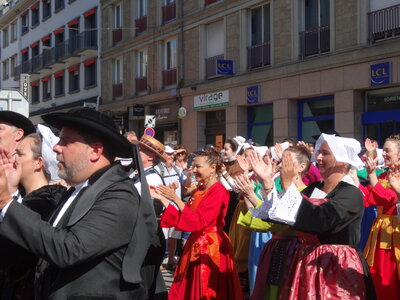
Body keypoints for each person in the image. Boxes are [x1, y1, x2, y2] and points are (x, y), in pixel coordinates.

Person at [0, 108, 162, 299]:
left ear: (95, 150)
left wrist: (6, 201)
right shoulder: (77, 191)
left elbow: (68, 249)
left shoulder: (119, 195)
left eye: (66, 141)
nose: (55, 147)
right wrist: (10, 192)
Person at [252, 133, 376, 300]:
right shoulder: (313, 188)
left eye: (325, 153)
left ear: (342, 160)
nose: (317, 157)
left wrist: (288, 185)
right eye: (319, 152)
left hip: (335, 265)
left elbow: (321, 220)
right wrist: (267, 182)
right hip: (307, 262)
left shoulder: (351, 193)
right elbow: (280, 215)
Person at [151, 148, 244, 300]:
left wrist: (176, 199)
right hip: (196, 243)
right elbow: (184, 217)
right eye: (193, 166)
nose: (193, 170)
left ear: (213, 168)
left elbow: (198, 221)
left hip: (210, 247)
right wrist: (163, 199)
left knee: (206, 288)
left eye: (198, 166)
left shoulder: (219, 191)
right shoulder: (200, 189)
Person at [359, 135, 400, 300]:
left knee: (389, 274)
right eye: (384, 150)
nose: (384, 154)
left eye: (388, 150)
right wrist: (352, 182)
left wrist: (371, 174)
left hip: (393, 232)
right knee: (376, 272)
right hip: (379, 230)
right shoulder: (384, 175)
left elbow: (387, 198)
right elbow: (368, 197)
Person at [155, 145, 182, 271]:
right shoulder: (157, 170)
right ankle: (159, 262)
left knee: (174, 236)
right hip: (165, 208)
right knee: (162, 237)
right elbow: (157, 190)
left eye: (172, 154)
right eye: (168, 154)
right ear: (162, 155)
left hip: (177, 208)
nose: (171, 156)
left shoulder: (178, 169)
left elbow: (185, 188)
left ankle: (171, 261)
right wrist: (171, 190)